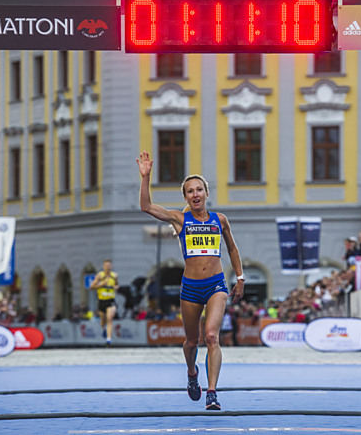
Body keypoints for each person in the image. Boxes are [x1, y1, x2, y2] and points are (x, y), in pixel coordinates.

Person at [137, 150, 245, 411]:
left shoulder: (220, 220)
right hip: (191, 288)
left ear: (206, 193)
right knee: (191, 342)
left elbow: (232, 248)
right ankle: (191, 373)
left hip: (216, 284)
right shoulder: (179, 218)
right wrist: (146, 177)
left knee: (212, 336)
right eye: (190, 191)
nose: (195, 194)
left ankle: (212, 392)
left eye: (199, 190)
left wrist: (239, 277)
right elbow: (146, 207)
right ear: (185, 197)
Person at [89, 259, 120, 345]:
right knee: (103, 320)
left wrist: (116, 287)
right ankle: (104, 329)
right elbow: (91, 287)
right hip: (102, 300)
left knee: (110, 318)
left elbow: (117, 284)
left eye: (109, 266)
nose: (108, 267)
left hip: (111, 300)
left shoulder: (115, 276)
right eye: (106, 266)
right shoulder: (100, 276)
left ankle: (108, 339)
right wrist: (101, 285)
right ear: (103, 267)